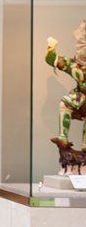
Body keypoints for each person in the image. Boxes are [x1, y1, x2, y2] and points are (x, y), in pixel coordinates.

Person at [46, 23, 86, 174]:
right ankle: (63, 137)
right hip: (79, 97)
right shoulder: (75, 66)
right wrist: (51, 48)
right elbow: (54, 60)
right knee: (64, 104)